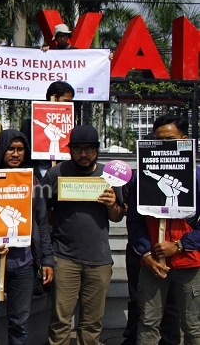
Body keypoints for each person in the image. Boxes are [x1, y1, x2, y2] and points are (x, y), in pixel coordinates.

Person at [0, 129, 55, 345]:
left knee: (19, 323)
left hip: (23, 265)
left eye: (20, 149)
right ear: (1, 151)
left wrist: (47, 259)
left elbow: (42, 223)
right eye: (10, 149)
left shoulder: (33, 183)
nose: (15, 154)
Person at [42, 125, 126, 345]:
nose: (84, 154)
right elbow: (43, 213)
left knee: (91, 324)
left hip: (99, 260)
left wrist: (111, 205)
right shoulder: (55, 173)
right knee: (60, 322)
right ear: (69, 150)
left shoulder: (109, 176)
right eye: (78, 149)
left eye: (89, 149)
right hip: (64, 258)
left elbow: (117, 217)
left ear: (97, 150)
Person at [127, 114, 200, 345]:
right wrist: (146, 254)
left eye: (170, 140)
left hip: (190, 262)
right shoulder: (142, 179)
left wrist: (179, 245)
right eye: (159, 141)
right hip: (153, 264)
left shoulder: (197, 178)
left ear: (185, 140)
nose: (164, 147)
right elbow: (135, 222)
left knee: (193, 327)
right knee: (148, 323)